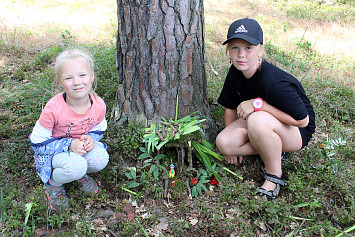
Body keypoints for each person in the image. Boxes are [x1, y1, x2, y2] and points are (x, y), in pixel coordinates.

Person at [216, 18, 316, 200]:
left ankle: (274, 176)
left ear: (260, 50)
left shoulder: (273, 81)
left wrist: (260, 105)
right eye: (235, 47)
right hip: (266, 123)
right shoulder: (235, 72)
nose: (241, 55)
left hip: (296, 130)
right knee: (224, 143)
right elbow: (230, 107)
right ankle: (272, 146)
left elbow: (303, 120)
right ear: (228, 51)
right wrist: (233, 149)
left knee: (257, 119)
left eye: (249, 48)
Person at [29, 49, 109, 211]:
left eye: (82, 75)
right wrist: (69, 144)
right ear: (60, 81)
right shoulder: (53, 109)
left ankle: (78, 173)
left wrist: (91, 138)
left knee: (101, 159)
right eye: (68, 78)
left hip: (77, 151)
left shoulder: (98, 104)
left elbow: (99, 129)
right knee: (76, 166)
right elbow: (37, 142)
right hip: (53, 153)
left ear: (91, 75)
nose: (77, 82)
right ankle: (53, 184)